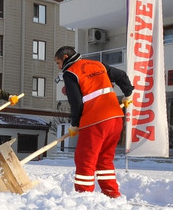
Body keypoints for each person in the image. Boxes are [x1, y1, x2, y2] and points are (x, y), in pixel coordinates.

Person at [54, 46, 134, 198]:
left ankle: (83, 195)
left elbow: (75, 102)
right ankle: (111, 193)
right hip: (116, 118)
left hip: (95, 120)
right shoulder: (98, 64)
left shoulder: (70, 73)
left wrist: (75, 124)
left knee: (85, 158)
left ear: (65, 58)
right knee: (105, 159)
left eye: (58, 63)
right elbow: (121, 75)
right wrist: (127, 94)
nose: (59, 67)